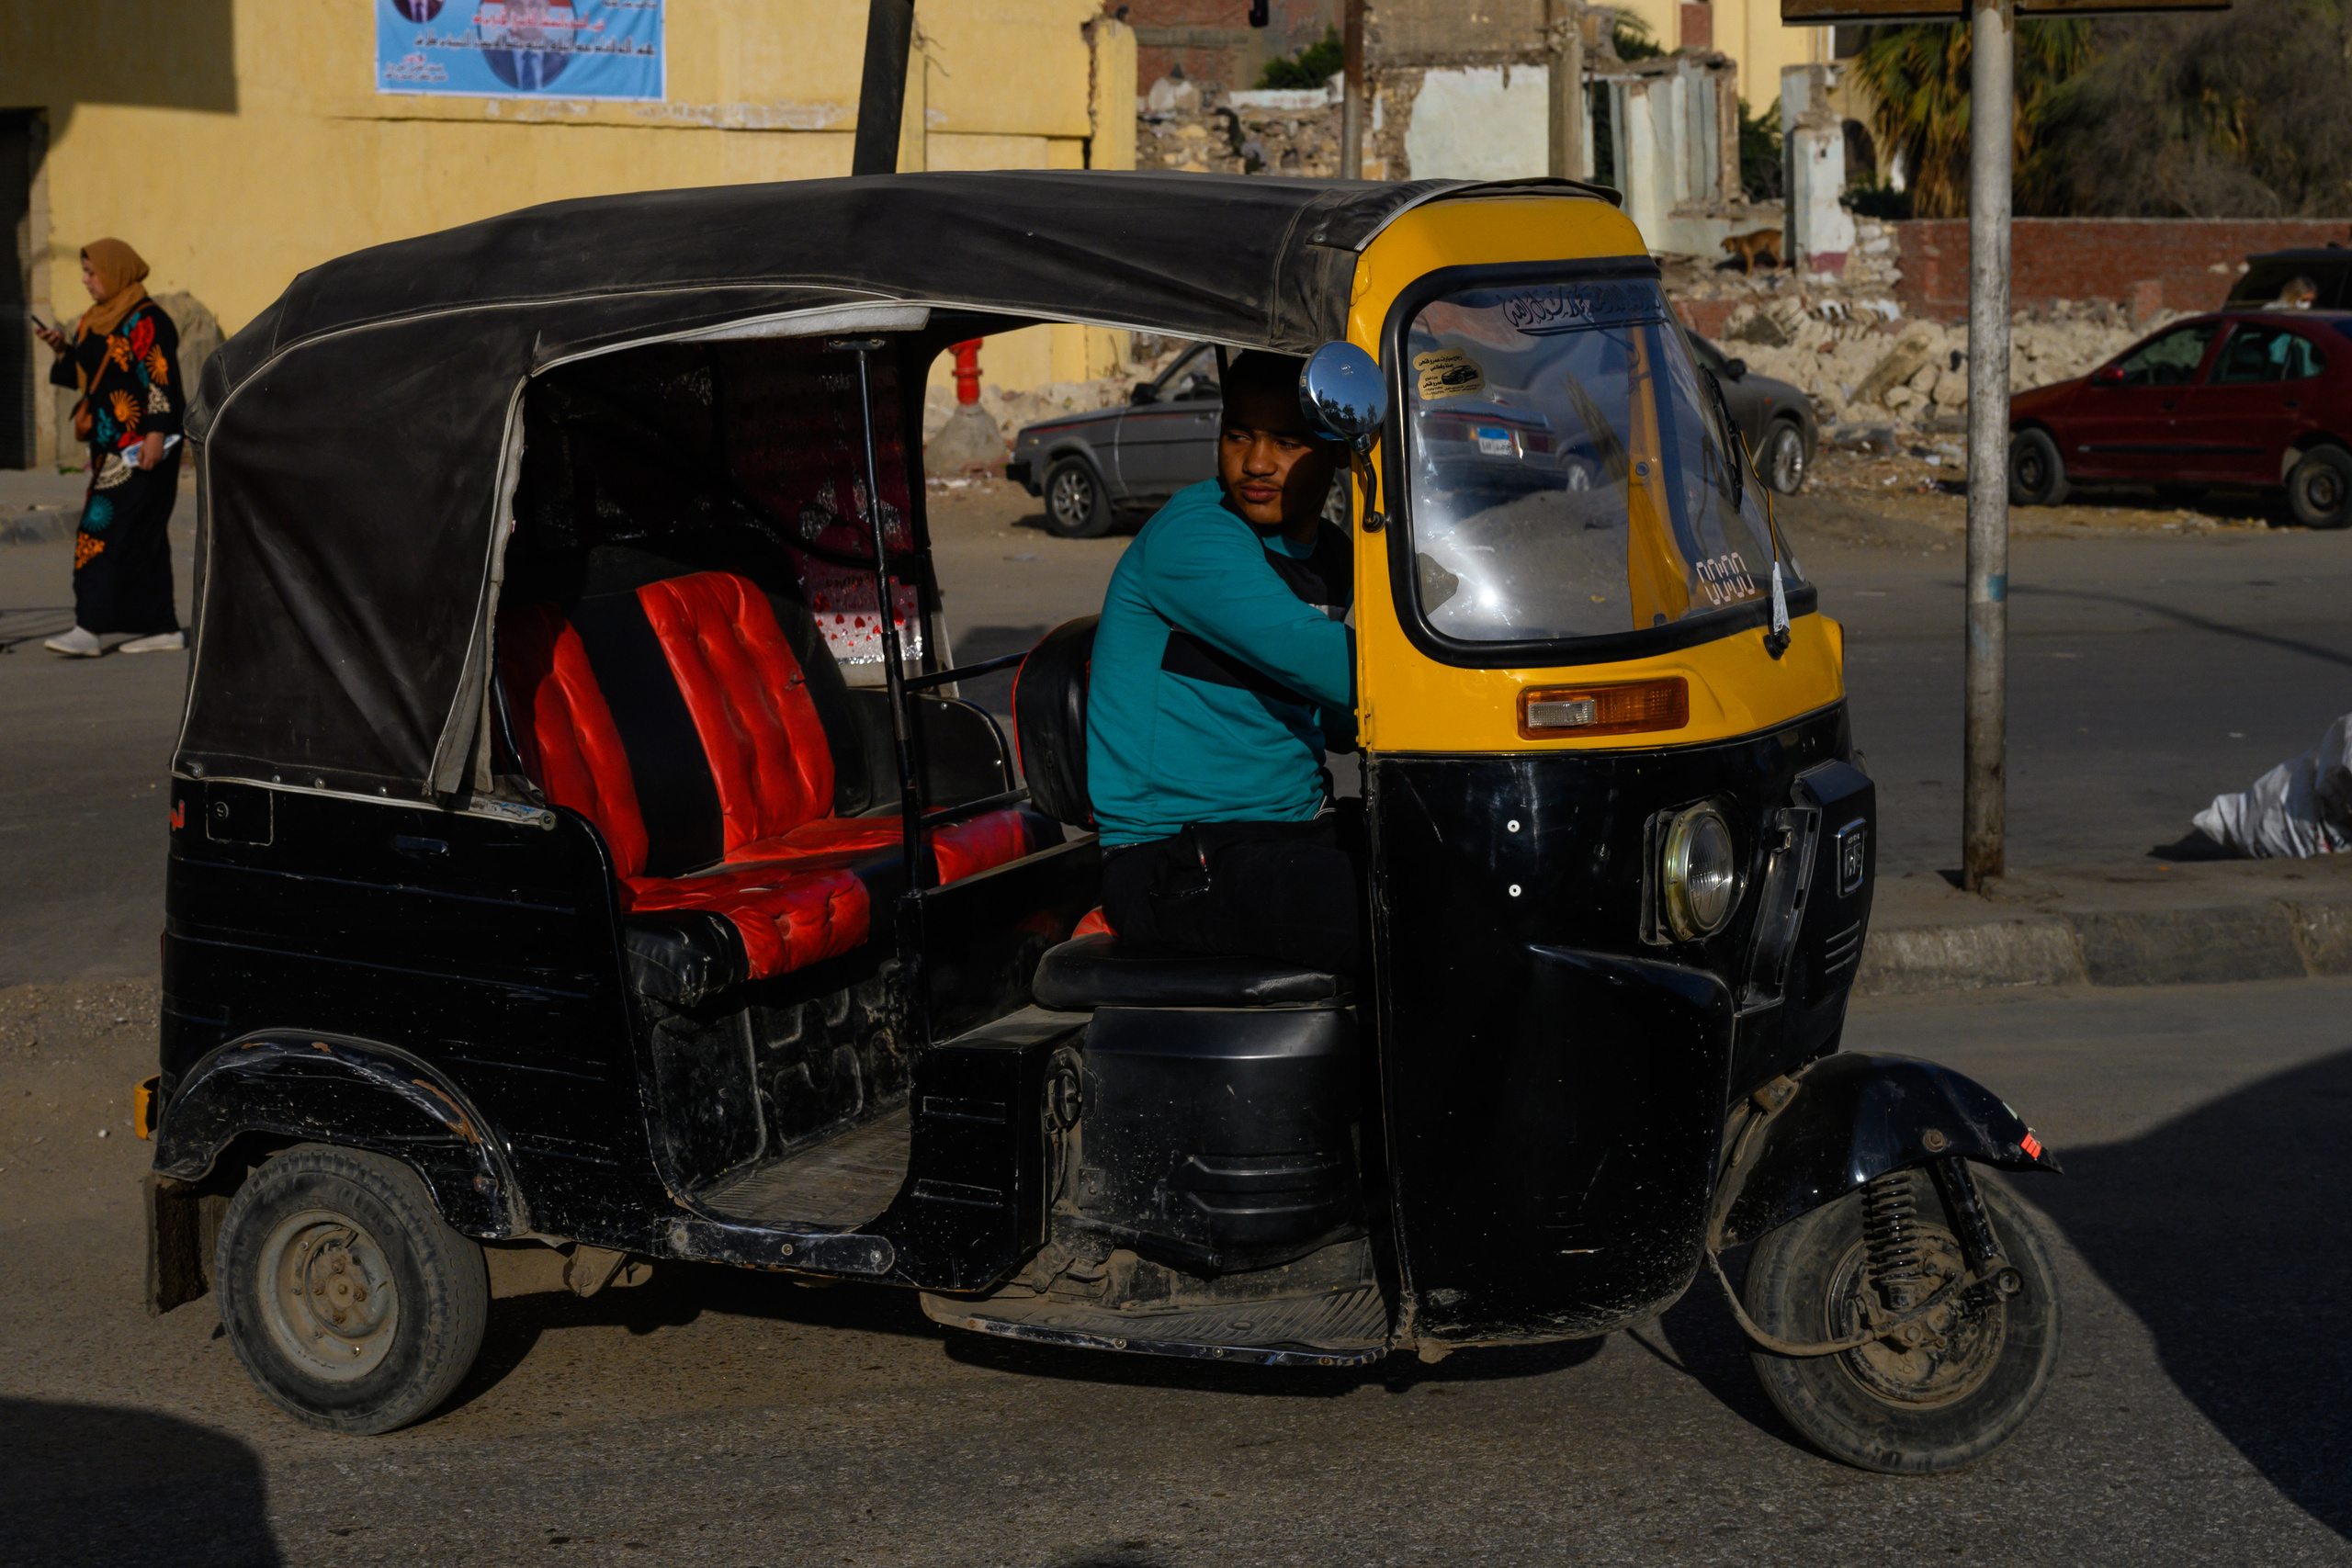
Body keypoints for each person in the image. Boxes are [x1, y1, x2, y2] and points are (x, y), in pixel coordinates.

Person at [1087, 349, 1361, 974]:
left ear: (1337, 450)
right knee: (1401, 910)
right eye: (1238, 435)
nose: (1257, 462)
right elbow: (1324, 663)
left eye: (1286, 442)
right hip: (1174, 855)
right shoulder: (1196, 535)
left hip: (1290, 830)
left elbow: (1342, 715)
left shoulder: (1332, 555)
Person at [33, 238, 185, 657]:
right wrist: (61, 349)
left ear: (117, 271)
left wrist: (155, 436)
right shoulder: (95, 318)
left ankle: (89, 627)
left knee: (98, 529)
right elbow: (86, 375)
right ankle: (162, 627)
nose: (86, 281)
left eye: (92, 273)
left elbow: (161, 380)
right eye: (84, 273)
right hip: (107, 446)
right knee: (143, 538)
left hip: (141, 447)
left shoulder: (147, 320)